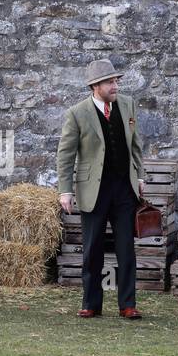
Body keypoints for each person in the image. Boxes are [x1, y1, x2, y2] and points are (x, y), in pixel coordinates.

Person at [56, 59, 145, 319]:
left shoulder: (127, 104)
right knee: (92, 248)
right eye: (110, 82)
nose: (115, 85)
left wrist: (140, 176)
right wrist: (65, 190)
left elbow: (135, 145)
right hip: (92, 191)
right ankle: (91, 303)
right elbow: (65, 154)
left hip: (124, 190)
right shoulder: (77, 113)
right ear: (96, 86)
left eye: (117, 80)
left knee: (126, 248)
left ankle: (127, 304)